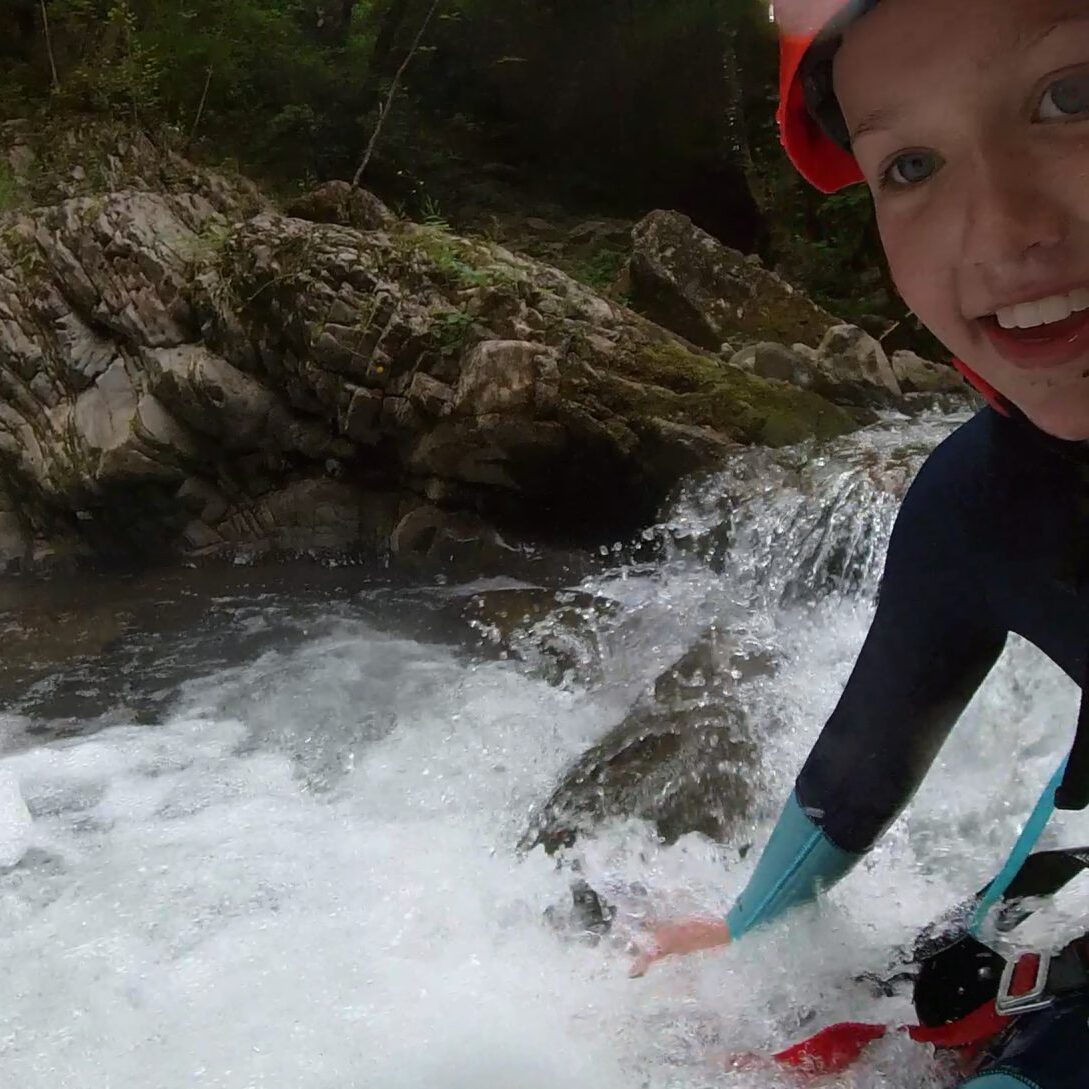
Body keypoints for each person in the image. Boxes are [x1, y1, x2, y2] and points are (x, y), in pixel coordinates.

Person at [628, 2, 1089, 1086]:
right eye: (913, 162)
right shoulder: (980, 503)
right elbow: (866, 756)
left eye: (1073, 97)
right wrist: (748, 937)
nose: (999, 229)